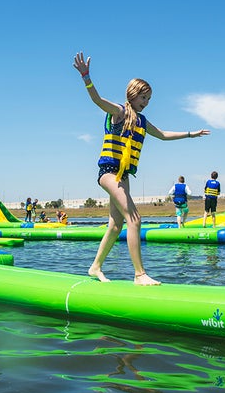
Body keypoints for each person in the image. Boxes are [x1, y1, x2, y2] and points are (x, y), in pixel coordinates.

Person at [73, 52, 210, 285]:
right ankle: (139, 274)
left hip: (123, 175)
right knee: (135, 219)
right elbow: (97, 100)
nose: (146, 102)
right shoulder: (119, 112)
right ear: (133, 94)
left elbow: (163, 135)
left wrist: (190, 134)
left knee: (116, 225)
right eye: (143, 97)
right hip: (108, 172)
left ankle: (95, 267)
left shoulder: (142, 122)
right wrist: (86, 77)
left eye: (149, 99)